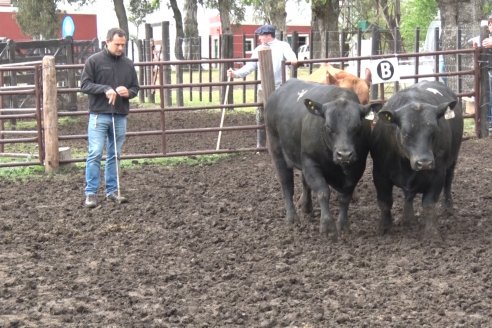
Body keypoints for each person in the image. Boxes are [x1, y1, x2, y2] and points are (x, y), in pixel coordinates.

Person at [81, 27, 140, 208]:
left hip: (120, 115)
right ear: (107, 42)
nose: (121, 48)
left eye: (123, 44)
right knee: (95, 153)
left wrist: (127, 92)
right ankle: (90, 193)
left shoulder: (128, 64)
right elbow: (84, 85)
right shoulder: (94, 61)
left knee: (115, 154)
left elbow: (135, 88)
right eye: (117, 44)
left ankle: (112, 191)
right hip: (99, 114)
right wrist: (105, 88)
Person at [227, 24, 298, 147]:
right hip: (263, 88)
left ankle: (282, 143)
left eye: (261, 36)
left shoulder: (283, 46)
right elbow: (250, 66)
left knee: (281, 114)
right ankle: (261, 144)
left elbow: (292, 57)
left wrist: (293, 60)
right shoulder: (258, 49)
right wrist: (236, 74)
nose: (259, 38)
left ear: (268, 35)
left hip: (280, 87)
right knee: (261, 114)